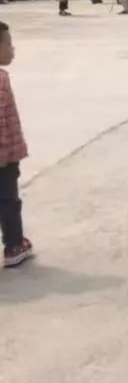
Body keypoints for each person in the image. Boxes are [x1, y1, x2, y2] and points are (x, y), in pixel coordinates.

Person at [0, 21, 32, 268]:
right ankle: (14, 245)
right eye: (9, 44)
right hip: (4, 157)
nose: (13, 49)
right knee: (9, 201)